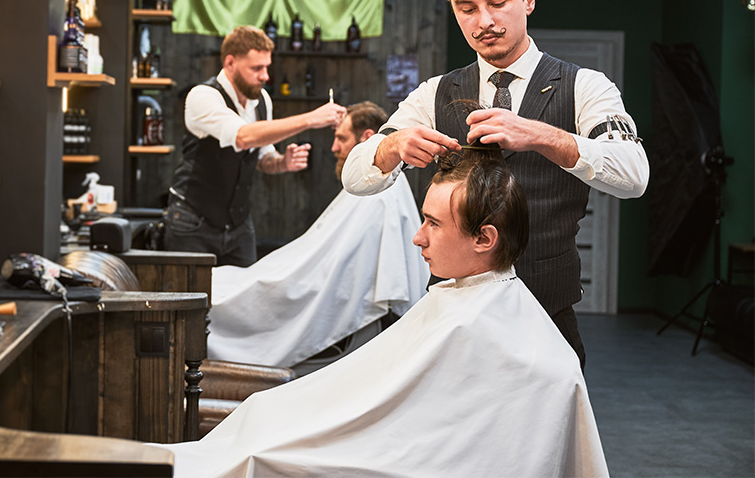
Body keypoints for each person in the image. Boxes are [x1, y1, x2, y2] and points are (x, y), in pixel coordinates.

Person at [166, 150, 609, 477]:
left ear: (484, 238)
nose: (417, 238)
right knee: (259, 416)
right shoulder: (464, 301)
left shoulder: (520, 348)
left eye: (434, 224)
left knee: (257, 456)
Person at [343, 0, 648, 367]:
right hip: (453, 323)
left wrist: (542, 135)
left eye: (498, 2)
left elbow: (634, 175)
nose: (483, 20)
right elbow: (354, 177)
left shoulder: (586, 88)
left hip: (547, 317)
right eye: (466, 8)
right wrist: (392, 146)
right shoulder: (434, 95)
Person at [207, 101, 427, 369]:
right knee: (227, 283)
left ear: (367, 138)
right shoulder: (372, 187)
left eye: (341, 138)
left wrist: (283, 282)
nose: (334, 148)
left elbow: (337, 279)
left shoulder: (379, 196)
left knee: (227, 294)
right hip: (307, 278)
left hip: (326, 301)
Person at [166, 25, 347, 268]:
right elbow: (243, 137)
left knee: (242, 299)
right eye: (256, 68)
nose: (265, 76)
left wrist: (282, 162)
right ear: (230, 63)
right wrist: (311, 119)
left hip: (239, 224)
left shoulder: (262, 100)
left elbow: (263, 158)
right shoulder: (203, 96)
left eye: (266, 67)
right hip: (192, 222)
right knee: (191, 301)